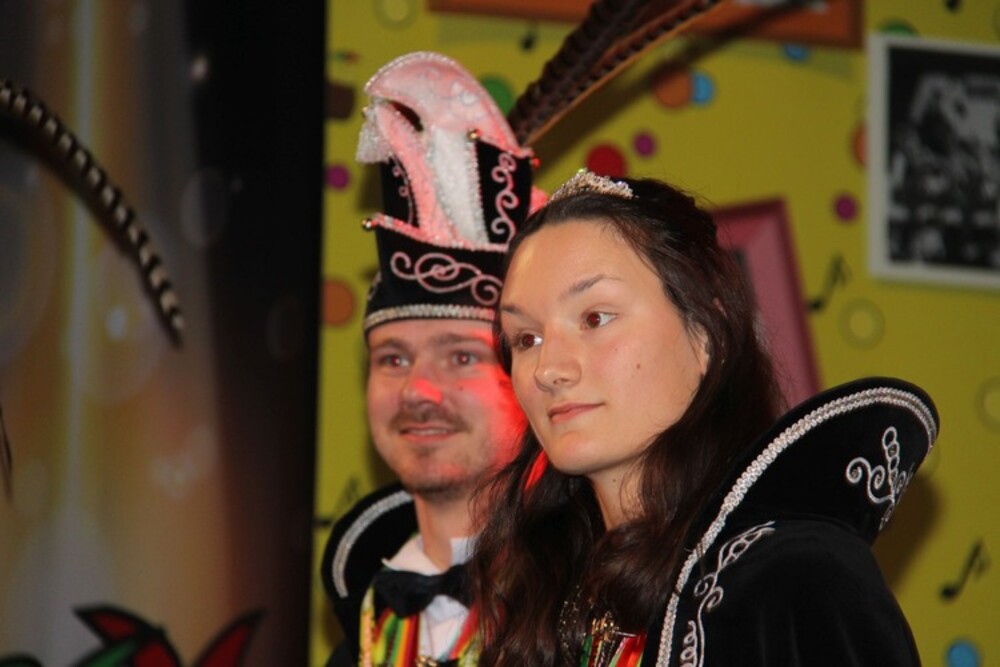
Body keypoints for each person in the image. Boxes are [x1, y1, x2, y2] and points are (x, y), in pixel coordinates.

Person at [472, 170, 940, 666]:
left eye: (595, 318)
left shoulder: (799, 577)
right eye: (526, 338)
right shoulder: (551, 599)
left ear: (706, 336)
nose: (548, 369)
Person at [320, 51, 543, 666]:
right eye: (392, 360)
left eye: (462, 357)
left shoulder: (605, 622)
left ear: (534, 378)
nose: (419, 389)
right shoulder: (361, 641)